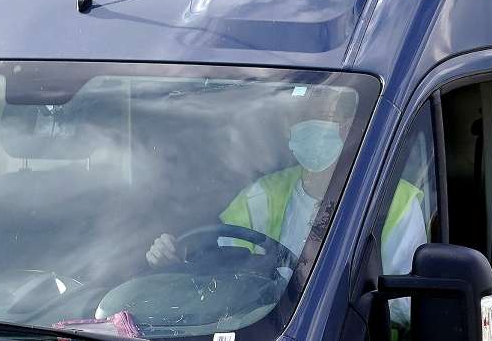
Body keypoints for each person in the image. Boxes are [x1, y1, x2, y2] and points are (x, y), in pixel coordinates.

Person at [146, 87, 429, 323]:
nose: (308, 124)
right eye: (300, 117)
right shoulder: (260, 196)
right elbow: (221, 273)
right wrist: (179, 261)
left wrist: (348, 305)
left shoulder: (393, 201)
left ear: (346, 127)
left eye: (321, 116)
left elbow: (408, 307)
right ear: (288, 130)